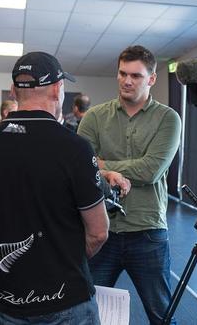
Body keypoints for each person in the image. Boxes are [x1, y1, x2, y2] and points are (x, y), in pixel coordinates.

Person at [0, 51, 125, 324]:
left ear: (14, 91)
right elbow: (99, 233)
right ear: (57, 89)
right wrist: (63, 256)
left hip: (6, 299)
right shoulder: (74, 148)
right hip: (65, 301)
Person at [77, 45, 181, 325]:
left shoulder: (168, 119)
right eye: (122, 73)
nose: (127, 80)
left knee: (161, 315)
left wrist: (103, 165)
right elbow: (80, 167)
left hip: (147, 232)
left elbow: (151, 170)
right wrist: (100, 167)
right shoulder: (95, 117)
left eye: (136, 75)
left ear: (152, 79)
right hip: (100, 231)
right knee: (88, 312)